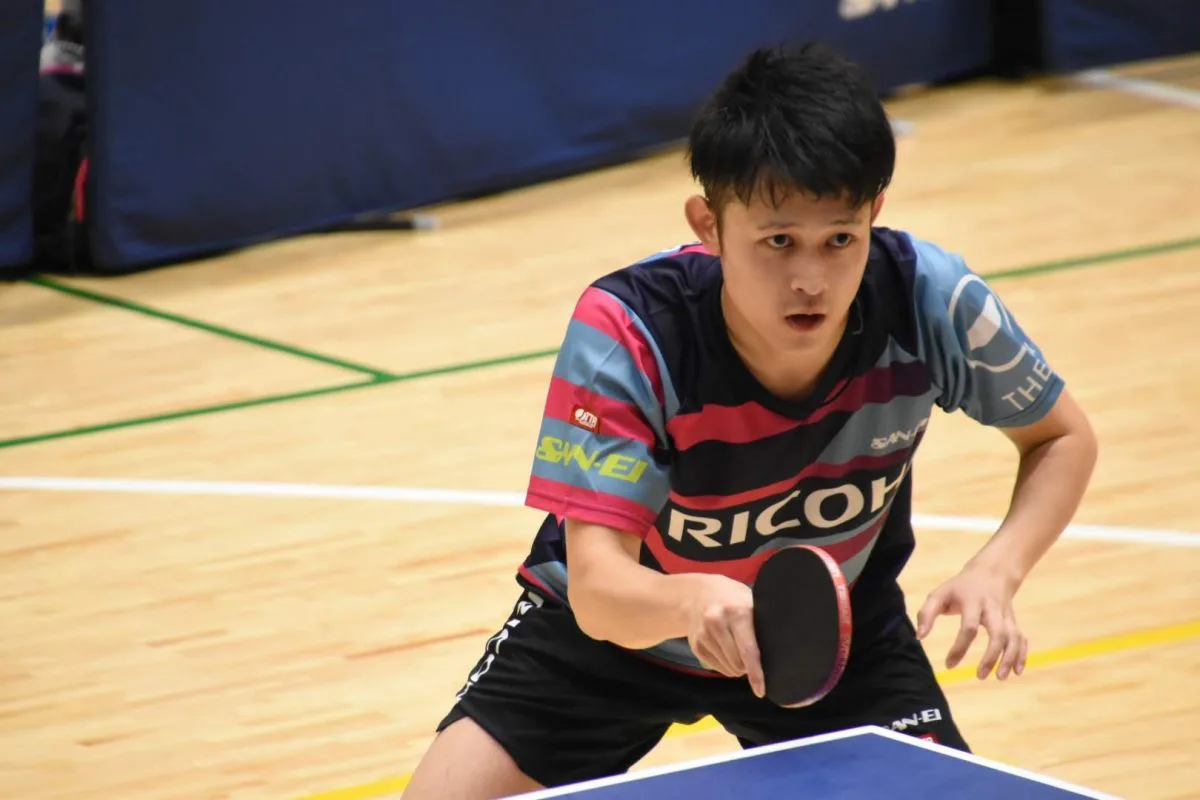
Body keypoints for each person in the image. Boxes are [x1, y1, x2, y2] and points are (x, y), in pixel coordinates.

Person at [402, 41, 1099, 799]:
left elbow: (1062, 437)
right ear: (709, 224)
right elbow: (599, 591)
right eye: (777, 242)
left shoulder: (930, 299)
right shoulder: (632, 332)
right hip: (618, 637)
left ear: (875, 214)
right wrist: (694, 600)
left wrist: (997, 569)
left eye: (840, 239)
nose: (810, 280)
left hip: (829, 641)